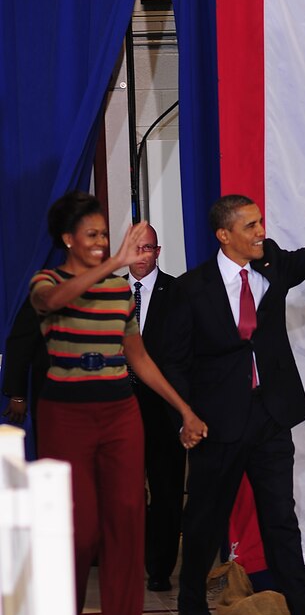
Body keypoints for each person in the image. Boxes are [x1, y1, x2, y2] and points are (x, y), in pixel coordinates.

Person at [163, 148, 305, 615]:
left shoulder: (275, 263)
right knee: (204, 524)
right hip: (217, 425)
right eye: (252, 224)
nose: (262, 230)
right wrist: (186, 417)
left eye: (261, 222)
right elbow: (171, 363)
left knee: (282, 521)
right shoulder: (191, 290)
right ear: (225, 235)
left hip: (270, 417)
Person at [29, 191, 207, 615]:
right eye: (92, 235)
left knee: (128, 527)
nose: (102, 242)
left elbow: (139, 356)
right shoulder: (47, 282)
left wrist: (184, 409)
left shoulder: (117, 292)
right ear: (68, 240)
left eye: (105, 235)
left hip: (119, 415)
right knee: (79, 532)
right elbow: (55, 301)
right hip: (65, 416)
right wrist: (112, 264)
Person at [127, 225, 186, 592]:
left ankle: (160, 568)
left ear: (158, 251)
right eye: (136, 247)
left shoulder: (178, 292)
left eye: (148, 247)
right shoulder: (109, 292)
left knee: (166, 489)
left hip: (163, 407)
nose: (142, 254)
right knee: (127, 490)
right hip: (120, 405)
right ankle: (128, 562)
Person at [1, 296, 49, 442]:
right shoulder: (47, 291)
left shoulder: (116, 287)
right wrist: (17, 395)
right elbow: (20, 344)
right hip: (47, 393)